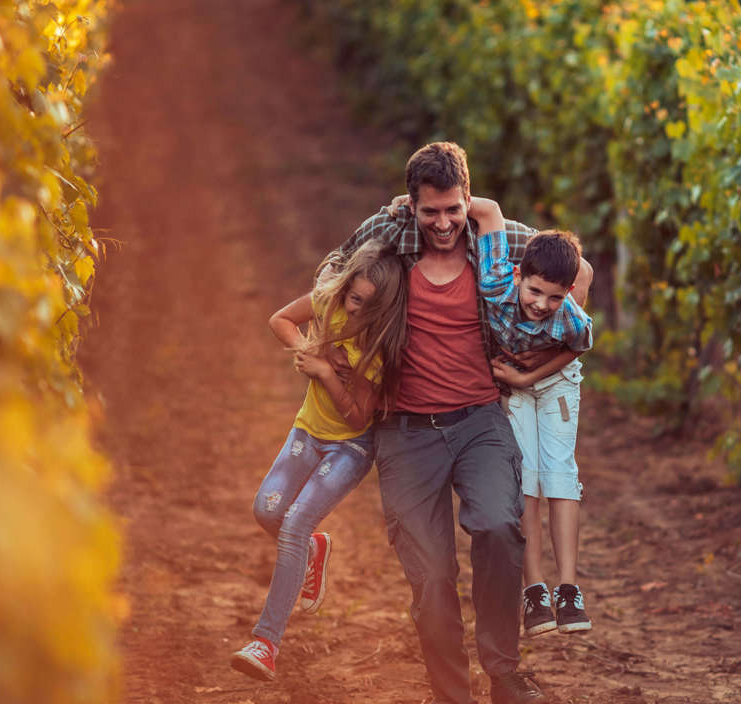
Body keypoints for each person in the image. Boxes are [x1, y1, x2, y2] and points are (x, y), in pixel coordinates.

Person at [333, 142, 591, 704]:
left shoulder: (502, 241)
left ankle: (503, 673)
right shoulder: (389, 238)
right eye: (430, 212)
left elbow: (579, 270)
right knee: (430, 576)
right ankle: (451, 692)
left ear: (468, 200)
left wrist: (542, 346)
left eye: (454, 209)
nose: (443, 223)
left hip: (479, 419)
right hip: (404, 431)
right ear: (414, 206)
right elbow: (333, 272)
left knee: (500, 527)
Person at [230, 240, 408, 681]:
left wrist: (327, 374)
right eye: (355, 300)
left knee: (292, 524)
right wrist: (308, 350)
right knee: (266, 510)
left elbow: (359, 416)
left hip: (350, 446)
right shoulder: (328, 303)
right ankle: (313, 549)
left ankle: (265, 643)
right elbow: (281, 320)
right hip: (307, 431)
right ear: (345, 288)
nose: (359, 313)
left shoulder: (379, 349)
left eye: (372, 308)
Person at [468, 197, 593, 637]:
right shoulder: (497, 280)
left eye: (555, 297)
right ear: (519, 275)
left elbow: (575, 349)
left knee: (559, 472)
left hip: (551, 382)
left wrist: (528, 378)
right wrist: (409, 201)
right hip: (516, 383)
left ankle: (568, 587)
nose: (541, 304)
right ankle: (534, 588)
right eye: (535, 291)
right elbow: (486, 209)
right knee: (527, 478)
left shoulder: (572, 318)